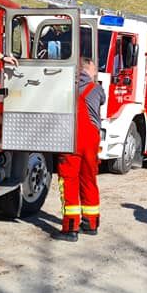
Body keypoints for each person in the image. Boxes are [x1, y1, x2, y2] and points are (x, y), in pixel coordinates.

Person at [53, 58, 105, 241]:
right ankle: (90, 224)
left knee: (69, 181)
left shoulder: (65, 85)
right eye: (94, 69)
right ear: (87, 68)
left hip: (70, 138)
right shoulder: (96, 89)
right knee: (89, 179)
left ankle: (70, 228)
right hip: (91, 139)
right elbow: (102, 101)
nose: (95, 72)